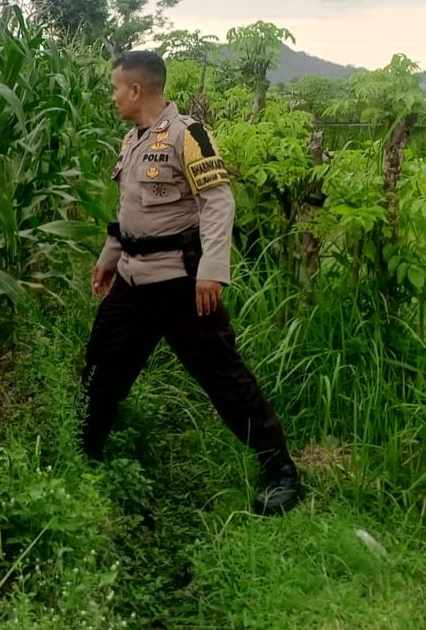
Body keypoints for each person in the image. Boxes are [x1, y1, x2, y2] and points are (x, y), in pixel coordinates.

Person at [82, 49, 302, 516]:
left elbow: (219, 203)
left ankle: (280, 469)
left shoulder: (189, 136)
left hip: (180, 282)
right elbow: (131, 211)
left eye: (116, 87)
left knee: (223, 376)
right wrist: (108, 257)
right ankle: (85, 453)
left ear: (136, 89)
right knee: (101, 365)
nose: (113, 95)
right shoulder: (133, 139)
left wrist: (211, 271)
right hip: (132, 280)